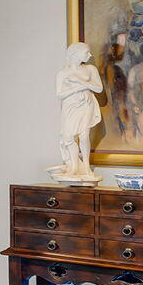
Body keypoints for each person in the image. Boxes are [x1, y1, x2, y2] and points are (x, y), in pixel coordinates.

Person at [51, 41, 103, 183]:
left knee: (84, 135)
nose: (90, 55)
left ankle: (86, 166)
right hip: (70, 106)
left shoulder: (90, 69)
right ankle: (74, 166)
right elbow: (59, 95)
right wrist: (79, 88)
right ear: (76, 54)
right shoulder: (63, 73)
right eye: (86, 52)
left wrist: (80, 82)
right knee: (68, 137)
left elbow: (99, 88)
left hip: (86, 104)